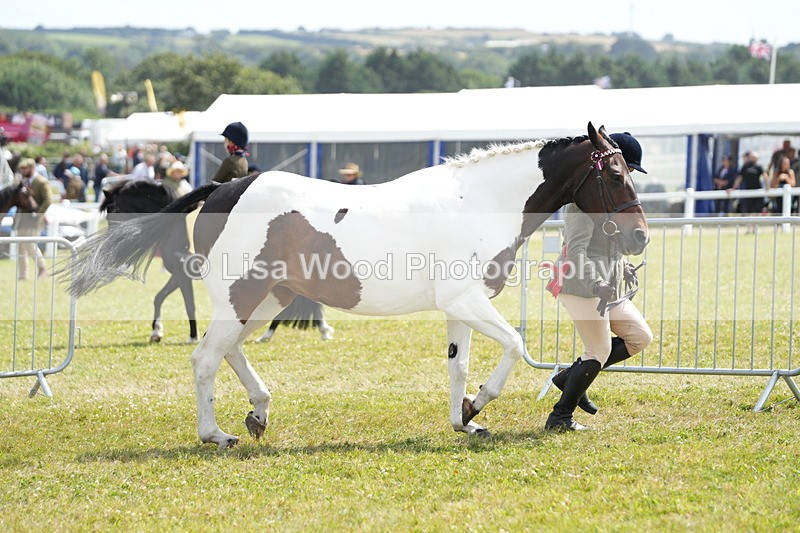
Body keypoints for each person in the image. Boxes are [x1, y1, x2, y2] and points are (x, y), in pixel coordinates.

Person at [544, 132, 653, 431]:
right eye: (626, 169)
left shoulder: (610, 198)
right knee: (598, 352)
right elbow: (576, 251)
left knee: (640, 337)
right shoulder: (582, 203)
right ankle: (560, 416)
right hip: (581, 286)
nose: (628, 176)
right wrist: (595, 284)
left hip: (607, 287)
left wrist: (623, 265)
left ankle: (570, 378)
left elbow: (607, 244)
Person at [13, 158, 51, 280]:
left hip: (33, 219)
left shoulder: (41, 182)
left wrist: (38, 214)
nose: (23, 171)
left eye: (25, 168)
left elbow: (48, 200)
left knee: (30, 245)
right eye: (22, 169)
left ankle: (42, 267)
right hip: (22, 219)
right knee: (20, 247)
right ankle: (23, 275)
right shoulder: (23, 181)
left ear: (32, 168)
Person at [730, 151, 767, 217]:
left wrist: (768, 186)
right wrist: (734, 188)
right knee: (748, 211)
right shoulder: (745, 167)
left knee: (757, 211)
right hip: (748, 191)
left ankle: (755, 226)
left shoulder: (759, 167)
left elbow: (765, 176)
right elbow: (739, 178)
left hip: (757, 191)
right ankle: (749, 227)